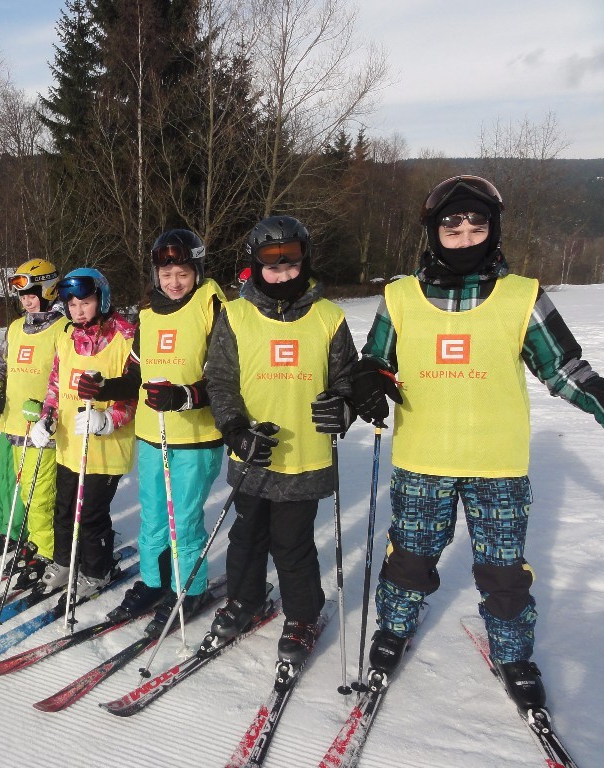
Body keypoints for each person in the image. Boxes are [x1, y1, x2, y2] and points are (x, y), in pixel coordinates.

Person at [351, 175, 604, 710]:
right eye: (453, 229)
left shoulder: (522, 296)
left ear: (493, 230)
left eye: (477, 228)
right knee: (410, 559)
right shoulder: (400, 297)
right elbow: (376, 361)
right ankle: (393, 629)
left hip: (497, 465)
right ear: (433, 233)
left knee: (503, 571)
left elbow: (564, 370)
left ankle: (513, 655)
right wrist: (367, 381)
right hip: (422, 461)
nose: (465, 239)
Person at [206, 215, 358, 666]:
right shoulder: (235, 315)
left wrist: (344, 407)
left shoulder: (329, 317)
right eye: (272, 266)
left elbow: (347, 380)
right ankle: (245, 598)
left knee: (292, 543)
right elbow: (220, 382)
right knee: (246, 535)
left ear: (305, 260)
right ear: (256, 266)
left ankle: (302, 615)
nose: (282, 274)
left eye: (291, 264)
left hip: (305, 458)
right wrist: (236, 431)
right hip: (253, 453)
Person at [78, 230, 226, 627]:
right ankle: (155, 582)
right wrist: (104, 388)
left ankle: (189, 589)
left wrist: (184, 396)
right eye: (166, 274)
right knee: (155, 517)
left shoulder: (213, 307)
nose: (174, 282)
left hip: (195, 437)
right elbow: (135, 377)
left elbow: (224, 377)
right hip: (151, 435)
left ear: (197, 271)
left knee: (184, 520)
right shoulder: (147, 315)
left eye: (183, 273)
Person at [29, 268, 138, 598]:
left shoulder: (126, 337)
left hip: (105, 446)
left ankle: (96, 570)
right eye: (72, 304)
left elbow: (136, 392)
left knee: (90, 514)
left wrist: (109, 419)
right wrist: (46, 418)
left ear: (101, 299)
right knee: (63, 509)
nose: (78, 310)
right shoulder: (67, 337)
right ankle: (64, 562)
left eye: (85, 302)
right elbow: (55, 385)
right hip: (69, 443)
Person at [0, 259, 68, 584]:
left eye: (32, 294)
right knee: (25, 493)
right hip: (14, 425)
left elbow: (67, 376)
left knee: (40, 494)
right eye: (22, 295)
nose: (27, 301)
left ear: (49, 291)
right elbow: (0, 367)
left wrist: (50, 410)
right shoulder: (16, 327)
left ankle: (47, 549)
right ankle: (35, 540)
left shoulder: (64, 328)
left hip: (45, 428)